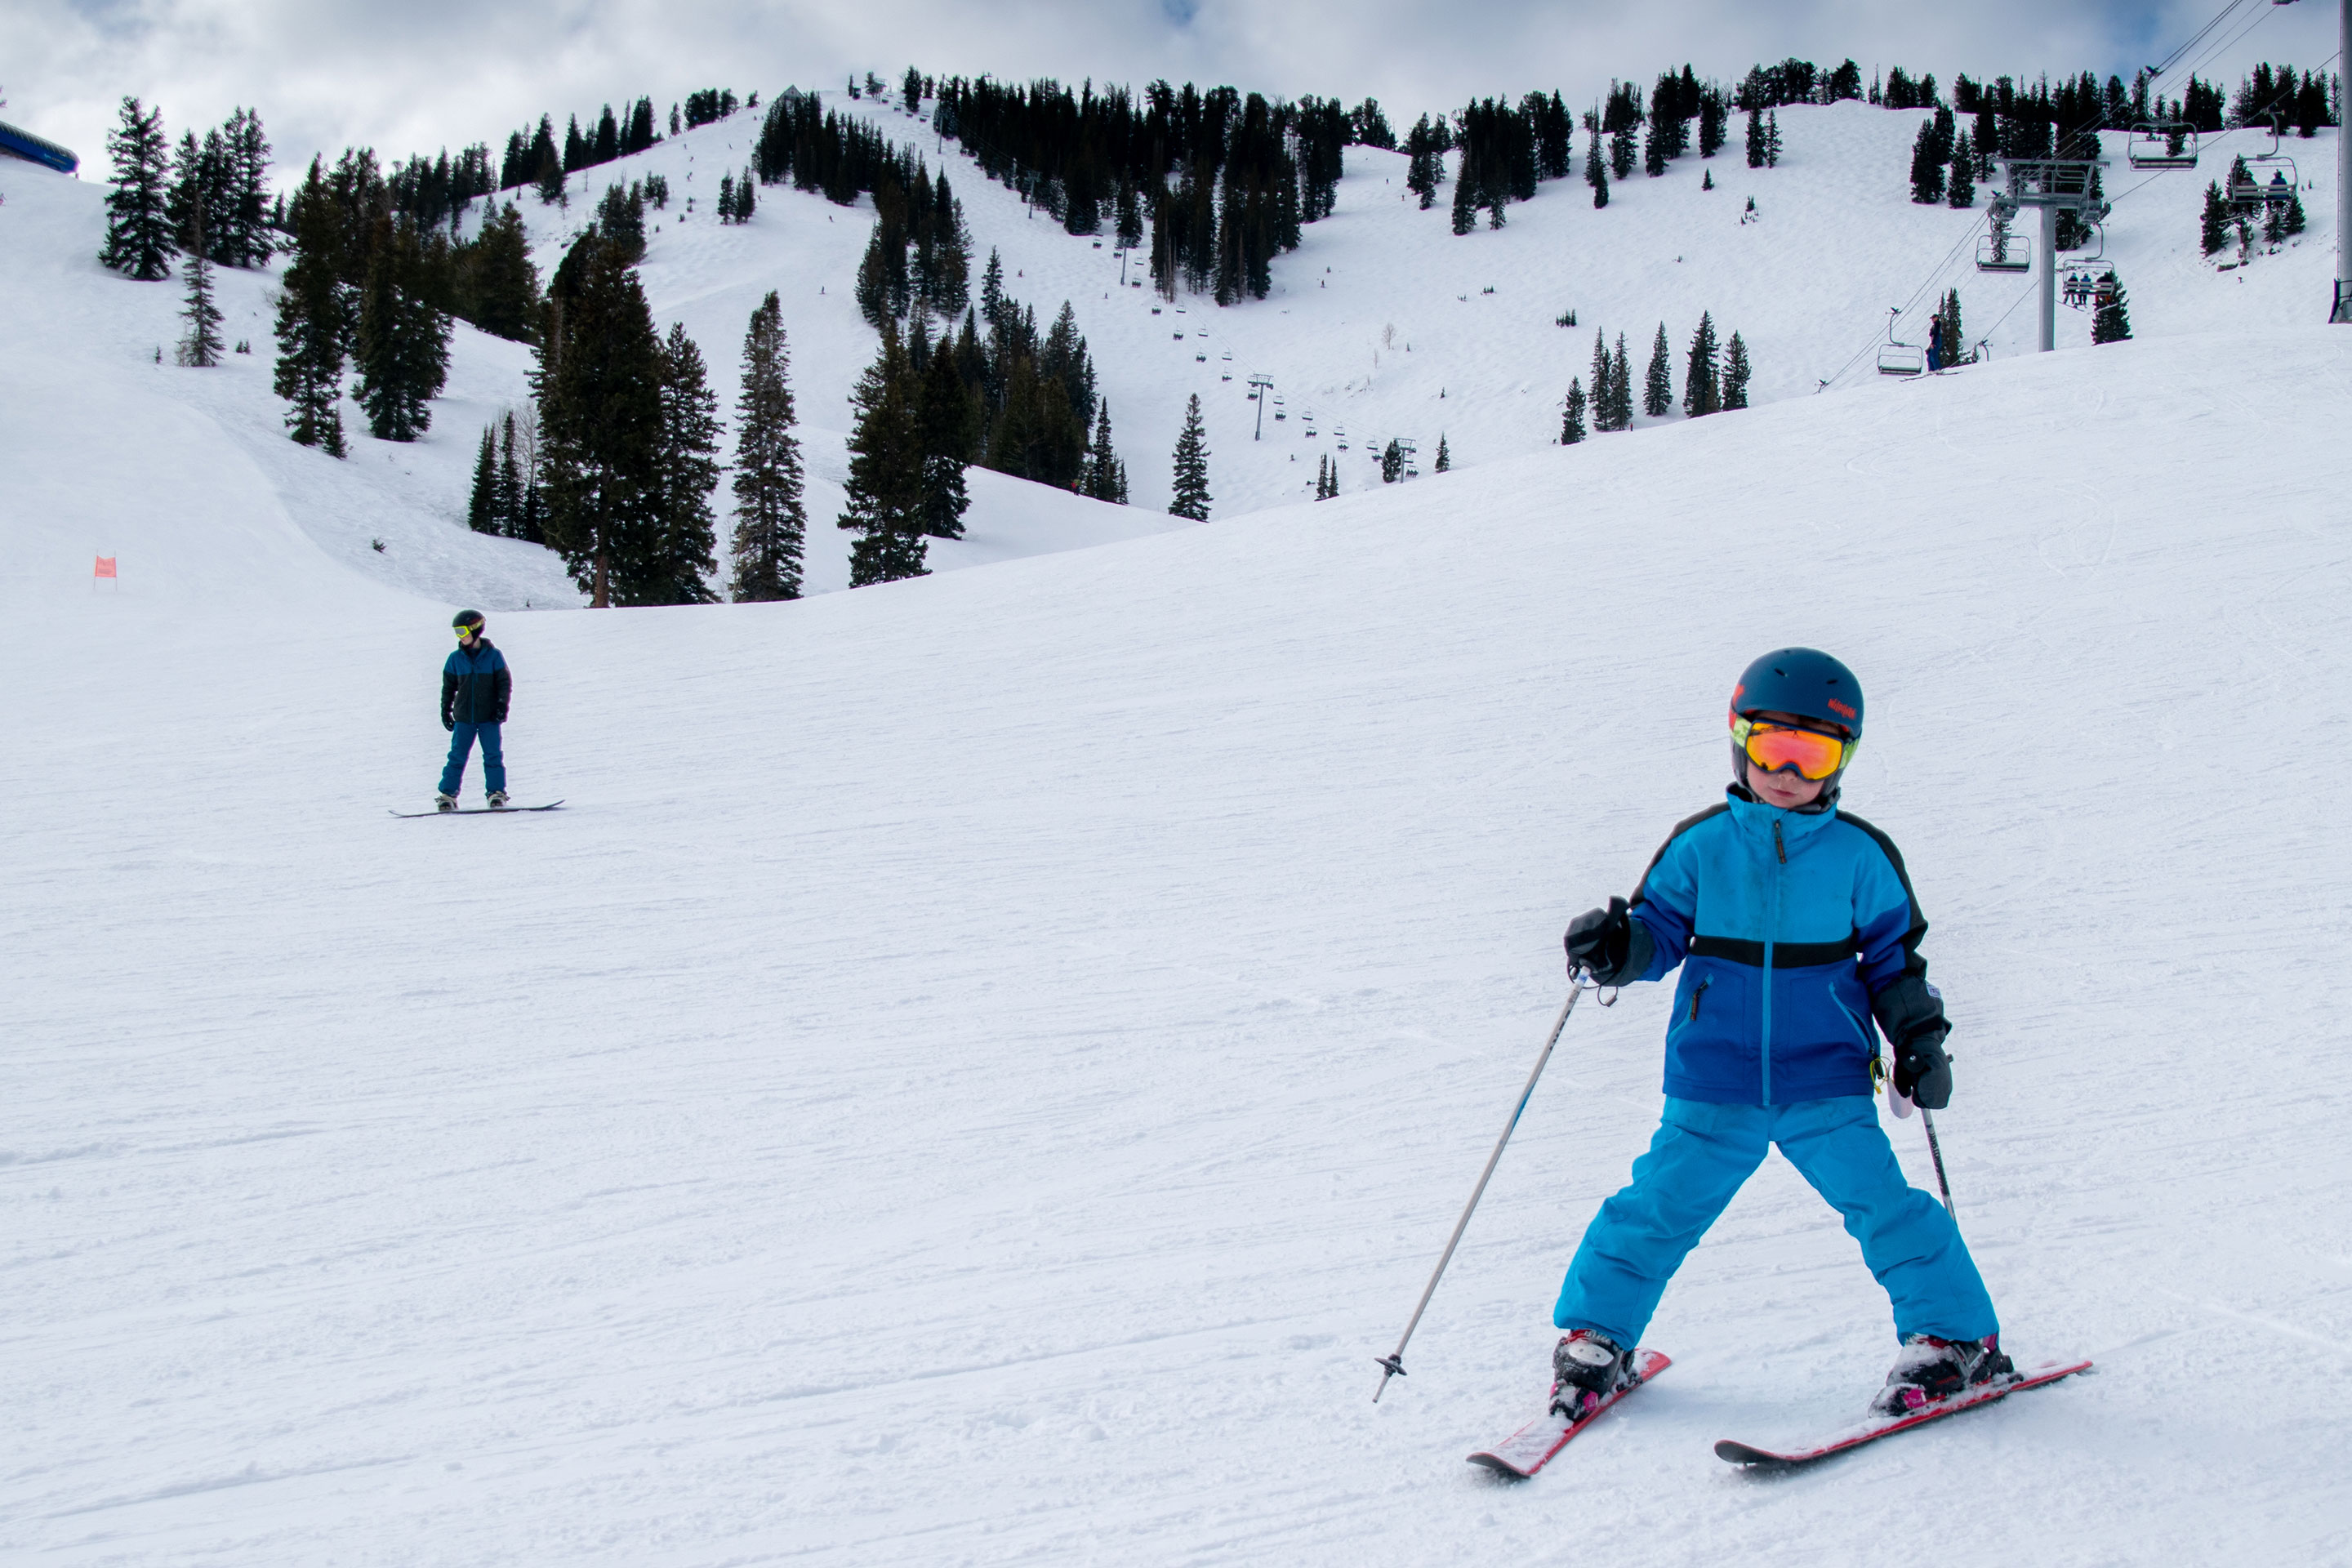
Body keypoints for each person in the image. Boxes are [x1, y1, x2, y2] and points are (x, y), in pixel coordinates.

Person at [1547, 648, 2004, 1423]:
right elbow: (1659, 934)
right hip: (1713, 1078)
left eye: (1814, 752)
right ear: (1740, 742)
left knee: (1885, 1208)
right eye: (1772, 748)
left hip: (1823, 1081)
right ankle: (1598, 1337)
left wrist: (1918, 1042)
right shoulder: (1701, 846)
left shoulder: (1862, 855)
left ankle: (1954, 1341)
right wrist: (1617, 950)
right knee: (1656, 1206)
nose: (1788, 771)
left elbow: (1896, 962)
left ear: (1841, 760)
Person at [437, 609, 511, 810]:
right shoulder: (455, 659)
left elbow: (504, 683)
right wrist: (446, 710)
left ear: (475, 629)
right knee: (457, 756)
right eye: (456, 633)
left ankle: (496, 793)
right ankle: (447, 795)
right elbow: (448, 688)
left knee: (493, 755)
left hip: (489, 718)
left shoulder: (494, 656)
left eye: (462, 631)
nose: (459, 637)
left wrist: (501, 706)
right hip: (464, 718)